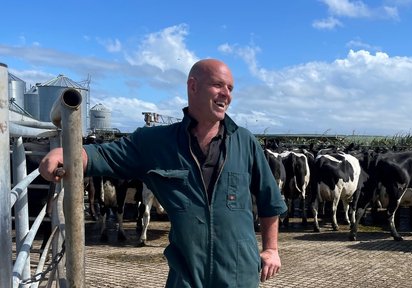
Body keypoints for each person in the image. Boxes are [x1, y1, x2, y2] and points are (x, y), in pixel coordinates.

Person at [39, 58, 288, 287]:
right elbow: (103, 155)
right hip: (187, 277)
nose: (226, 95)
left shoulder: (245, 142)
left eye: (231, 88)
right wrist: (67, 152)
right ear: (193, 86)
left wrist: (271, 249)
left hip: (239, 276)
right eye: (218, 85)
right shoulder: (157, 142)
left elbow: (270, 201)